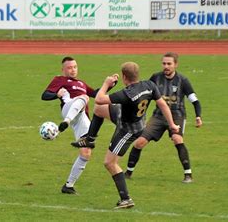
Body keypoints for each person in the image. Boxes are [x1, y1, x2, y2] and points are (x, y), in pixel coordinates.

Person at [72, 62, 180, 209]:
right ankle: (89, 139)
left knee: (110, 163)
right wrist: (172, 124)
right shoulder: (149, 85)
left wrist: (106, 83)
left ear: (124, 76)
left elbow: (99, 97)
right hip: (128, 117)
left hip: (128, 130)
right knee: (99, 109)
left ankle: (126, 198)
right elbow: (162, 104)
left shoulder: (127, 94)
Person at [125, 52, 202, 183]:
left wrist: (198, 116)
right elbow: (145, 94)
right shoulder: (156, 77)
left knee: (177, 139)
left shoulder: (183, 81)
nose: (166, 66)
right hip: (158, 116)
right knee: (139, 142)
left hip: (177, 115)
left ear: (175, 65)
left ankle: (188, 175)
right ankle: (128, 173)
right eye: (164, 63)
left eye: (169, 64)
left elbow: (194, 100)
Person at [42, 56, 107, 195]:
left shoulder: (81, 83)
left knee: (86, 153)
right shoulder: (59, 80)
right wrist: (56, 94)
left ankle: (68, 186)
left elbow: (96, 94)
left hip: (82, 117)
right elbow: (45, 95)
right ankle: (66, 121)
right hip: (68, 109)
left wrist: (109, 84)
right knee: (84, 97)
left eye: (75, 67)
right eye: (69, 67)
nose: (73, 70)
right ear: (63, 69)